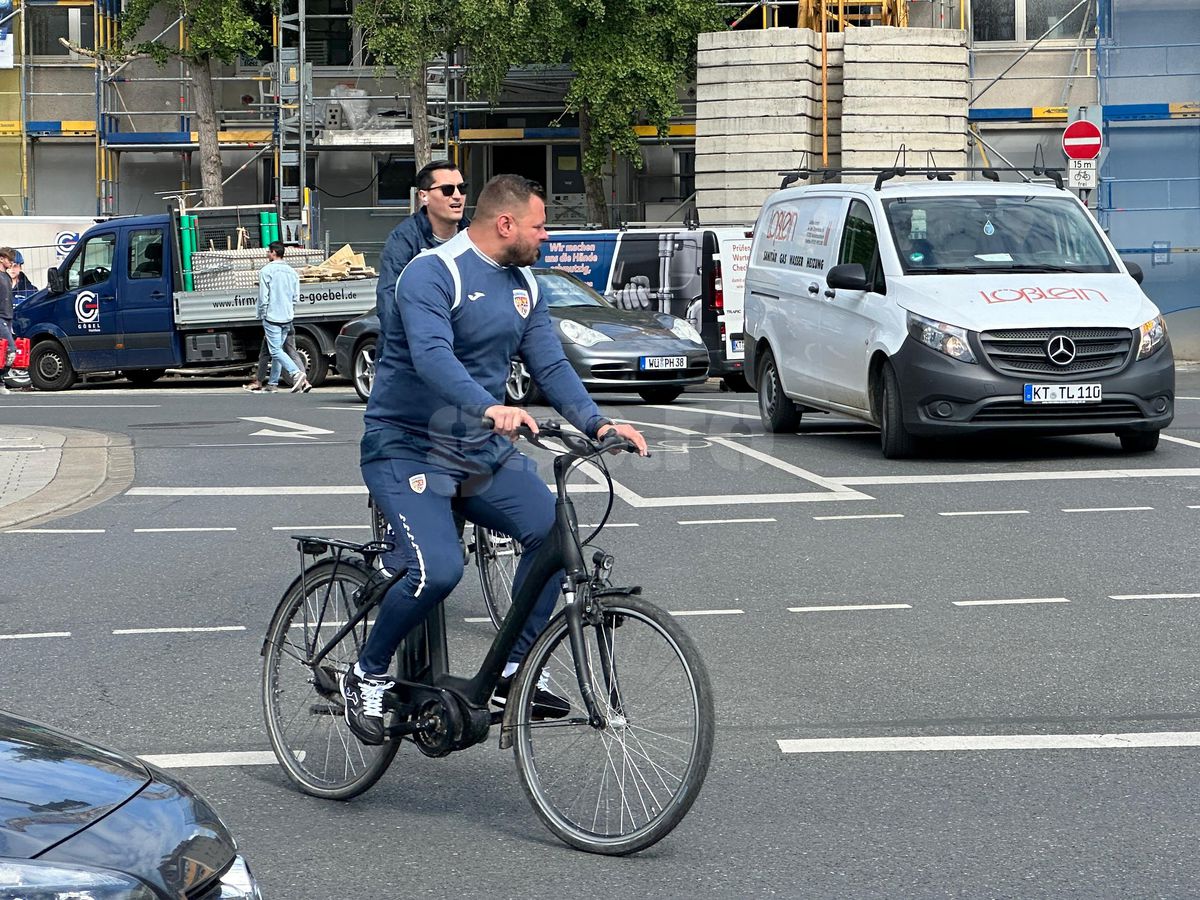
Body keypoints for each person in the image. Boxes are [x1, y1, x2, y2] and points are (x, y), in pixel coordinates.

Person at [341, 175, 648, 745]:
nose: (547, 236)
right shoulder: (434, 272)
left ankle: (512, 671)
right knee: (438, 570)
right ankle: (366, 673)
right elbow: (432, 355)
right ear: (505, 224)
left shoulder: (524, 282)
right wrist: (488, 406)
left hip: (476, 448)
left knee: (553, 533)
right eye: (539, 226)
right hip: (407, 444)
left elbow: (550, 364)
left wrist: (598, 423)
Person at [376, 160, 470, 334]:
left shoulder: (473, 236)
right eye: (447, 189)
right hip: (417, 341)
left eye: (462, 188)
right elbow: (388, 300)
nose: (457, 195)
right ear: (423, 196)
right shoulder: (403, 239)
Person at [255, 241, 310, 393]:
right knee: (278, 351)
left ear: (273, 252)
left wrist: (262, 313)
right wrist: (290, 310)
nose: (267, 254)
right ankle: (272, 383)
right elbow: (295, 297)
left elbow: (263, 296)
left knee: (275, 351)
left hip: (272, 316)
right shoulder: (292, 272)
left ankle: (296, 373)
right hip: (287, 316)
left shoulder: (266, 271)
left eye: (268, 251)